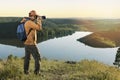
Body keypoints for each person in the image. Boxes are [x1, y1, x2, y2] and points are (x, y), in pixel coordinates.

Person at [21, 10, 42, 75]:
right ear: (32, 16)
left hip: (26, 43)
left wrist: (35, 20)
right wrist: (39, 20)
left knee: (27, 58)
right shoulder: (29, 22)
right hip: (31, 44)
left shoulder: (25, 21)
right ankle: (36, 73)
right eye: (35, 16)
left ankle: (25, 72)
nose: (36, 17)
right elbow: (39, 28)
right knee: (38, 58)